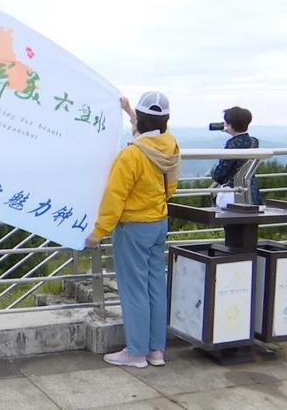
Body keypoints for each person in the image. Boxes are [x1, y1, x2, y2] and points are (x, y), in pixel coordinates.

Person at [86, 91, 181, 369]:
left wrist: (98, 232)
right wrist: (131, 112)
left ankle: (136, 352)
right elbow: (171, 186)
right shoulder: (171, 146)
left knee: (134, 290)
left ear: (140, 120)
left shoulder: (130, 156)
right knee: (155, 287)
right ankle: (155, 351)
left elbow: (114, 197)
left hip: (133, 229)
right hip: (158, 223)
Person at [211, 106, 262, 205]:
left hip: (234, 192)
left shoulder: (232, 144)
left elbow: (220, 174)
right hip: (251, 190)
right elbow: (242, 139)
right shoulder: (254, 141)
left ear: (229, 125)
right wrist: (231, 131)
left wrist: (213, 172)